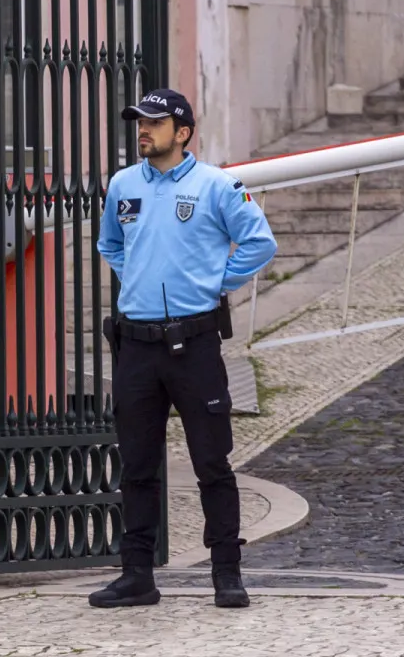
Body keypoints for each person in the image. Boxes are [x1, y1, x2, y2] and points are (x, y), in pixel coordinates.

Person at [90, 88, 276, 610]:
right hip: (136, 347)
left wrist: (214, 281)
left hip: (193, 344)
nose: (142, 130)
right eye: (139, 121)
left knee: (211, 463)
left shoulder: (217, 185)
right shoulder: (123, 184)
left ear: (183, 131)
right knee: (137, 466)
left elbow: (260, 243)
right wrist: (138, 281)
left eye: (153, 122)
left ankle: (227, 573)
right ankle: (137, 575)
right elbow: (109, 244)